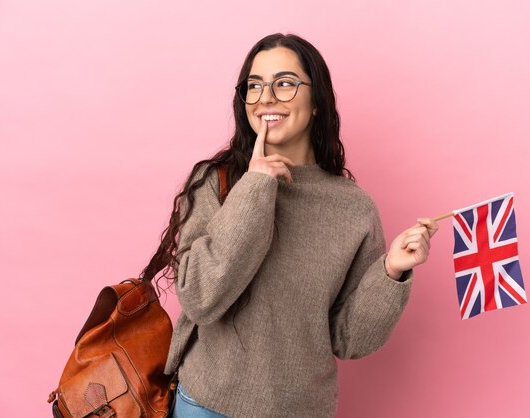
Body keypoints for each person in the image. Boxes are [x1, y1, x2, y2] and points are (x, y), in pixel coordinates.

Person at [140, 33, 438, 418]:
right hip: (207, 405)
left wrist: (391, 272)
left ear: (317, 102)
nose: (266, 97)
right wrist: (256, 186)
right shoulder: (218, 181)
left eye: (284, 83)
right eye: (255, 85)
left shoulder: (354, 209)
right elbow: (200, 297)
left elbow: (348, 340)